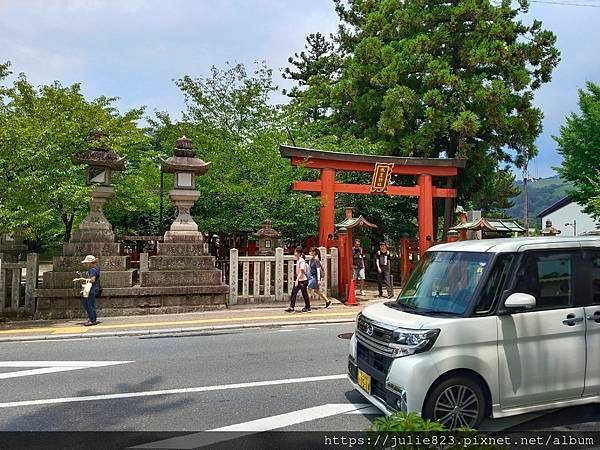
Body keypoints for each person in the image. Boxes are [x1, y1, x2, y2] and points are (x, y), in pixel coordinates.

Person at [285, 246, 311, 313]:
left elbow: (302, 271)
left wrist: (297, 280)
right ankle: (292, 307)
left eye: (295, 252)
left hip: (303, 281)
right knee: (294, 293)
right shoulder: (298, 260)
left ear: (299, 253)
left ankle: (308, 307)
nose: (294, 253)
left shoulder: (301, 260)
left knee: (304, 294)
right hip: (299, 280)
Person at [81, 254, 101, 326]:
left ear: (89, 263)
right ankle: (92, 318)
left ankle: (92, 320)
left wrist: (83, 279)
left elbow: (92, 280)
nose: (85, 264)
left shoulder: (92, 269)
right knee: (89, 304)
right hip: (95, 288)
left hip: (92, 288)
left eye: (86, 263)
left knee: (89, 304)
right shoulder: (96, 268)